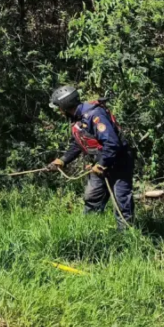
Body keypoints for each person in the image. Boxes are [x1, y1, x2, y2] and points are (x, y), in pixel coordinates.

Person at [47, 85, 134, 229]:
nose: (59, 111)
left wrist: (101, 163)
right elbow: (77, 144)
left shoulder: (94, 115)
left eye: (59, 108)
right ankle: (89, 232)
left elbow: (112, 143)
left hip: (118, 161)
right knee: (92, 198)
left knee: (121, 201)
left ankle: (127, 238)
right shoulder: (77, 119)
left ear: (65, 105)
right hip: (99, 164)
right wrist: (62, 161)